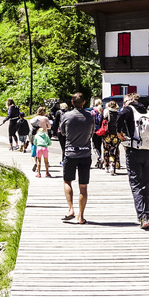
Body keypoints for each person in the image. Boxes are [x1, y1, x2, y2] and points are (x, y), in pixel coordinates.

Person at [57, 92, 97, 223]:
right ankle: (81, 216)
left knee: (67, 181)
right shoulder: (90, 116)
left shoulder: (66, 116)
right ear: (84, 102)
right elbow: (92, 132)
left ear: (72, 103)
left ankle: (70, 209)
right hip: (85, 153)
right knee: (83, 186)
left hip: (70, 153)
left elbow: (62, 132)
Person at [115, 90, 149, 231]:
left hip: (134, 150)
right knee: (146, 183)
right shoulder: (146, 110)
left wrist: (118, 131)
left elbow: (120, 117)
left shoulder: (128, 109)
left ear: (128, 100)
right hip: (148, 150)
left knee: (136, 183)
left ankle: (143, 216)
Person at [102, 98, 125, 175]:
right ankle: (112, 165)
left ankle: (106, 166)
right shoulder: (118, 114)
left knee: (106, 151)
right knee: (113, 151)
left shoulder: (106, 113)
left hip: (107, 135)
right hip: (115, 135)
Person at [31, 112, 53, 179]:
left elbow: (34, 143)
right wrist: (47, 144)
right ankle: (47, 172)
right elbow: (50, 143)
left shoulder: (37, 135)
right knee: (46, 161)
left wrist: (37, 144)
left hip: (39, 148)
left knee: (38, 161)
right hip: (45, 148)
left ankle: (39, 173)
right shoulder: (46, 135)